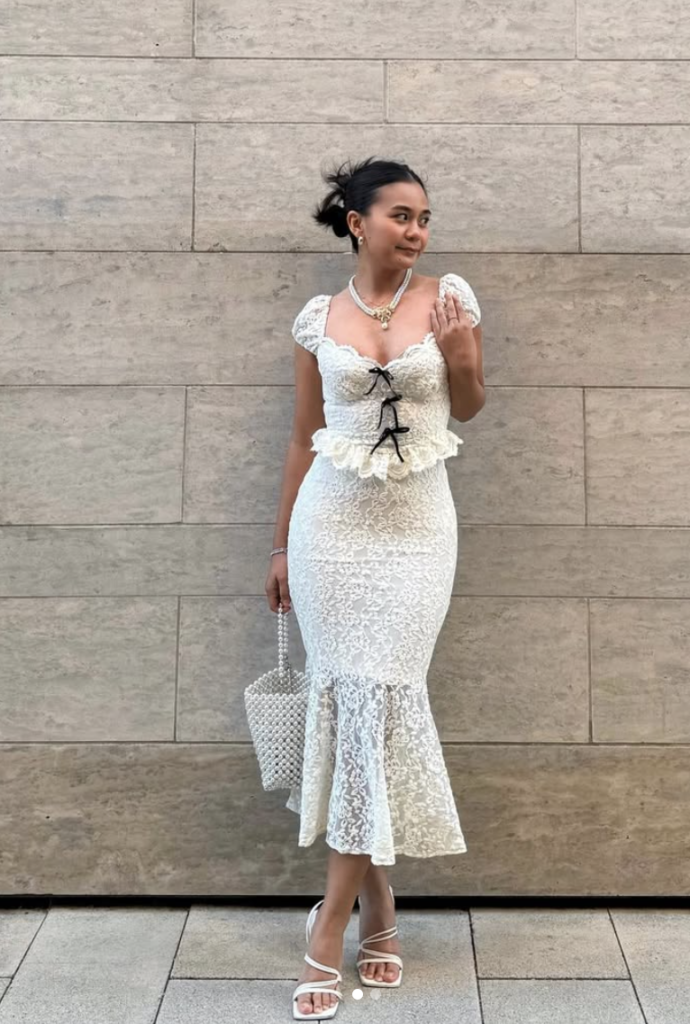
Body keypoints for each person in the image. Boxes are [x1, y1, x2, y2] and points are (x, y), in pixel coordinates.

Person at [264, 156, 485, 1019]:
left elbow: (467, 406)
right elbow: (299, 438)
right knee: (354, 701)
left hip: (419, 531)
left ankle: (332, 924)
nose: (417, 229)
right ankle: (375, 911)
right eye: (401, 214)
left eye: (425, 216)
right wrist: (281, 543)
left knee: (383, 697)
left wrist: (462, 354)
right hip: (332, 531)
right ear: (356, 221)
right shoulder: (318, 319)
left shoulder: (450, 299)